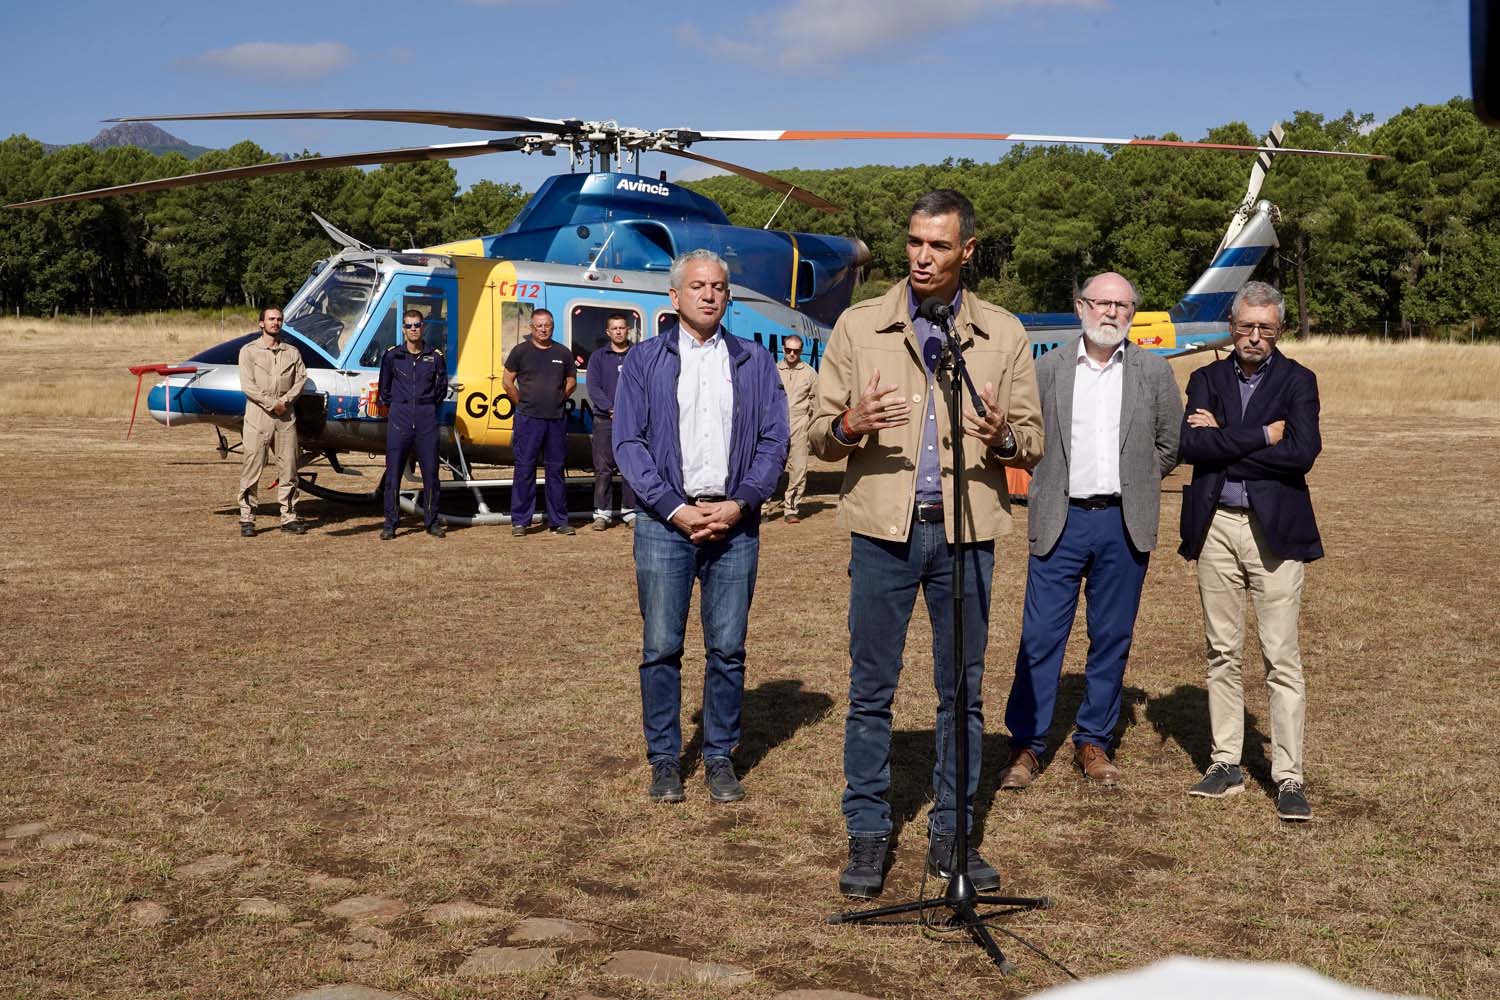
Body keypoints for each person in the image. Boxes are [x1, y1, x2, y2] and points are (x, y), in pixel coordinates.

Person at [809, 190, 1043, 899]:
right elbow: (818, 437)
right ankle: (869, 833)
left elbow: (1032, 441)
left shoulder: (1002, 335)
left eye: (938, 246)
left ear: (967, 251)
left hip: (968, 535)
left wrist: (1003, 436)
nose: (921, 256)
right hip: (884, 535)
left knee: (961, 696)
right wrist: (850, 424)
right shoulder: (857, 327)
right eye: (914, 242)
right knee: (871, 691)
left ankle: (952, 836)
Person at [613, 249, 789, 805]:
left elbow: (773, 440)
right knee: (662, 647)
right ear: (674, 296)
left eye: (718, 286)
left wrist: (740, 502)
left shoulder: (755, 362)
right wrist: (673, 507)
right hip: (666, 524)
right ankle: (665, 760)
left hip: (734, 523)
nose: (709, 294)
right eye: (697, 286)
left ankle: (718, 757)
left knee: (728, 649)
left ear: (727, 295)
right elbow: (629, 443)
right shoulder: (642, 362)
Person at [997, 273, 1182, 792]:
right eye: (1102, 303)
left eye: (1123, 306)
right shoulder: (1046, 369)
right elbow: (1027, 443)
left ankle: (1093, 738)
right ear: (1080, 306)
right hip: (1061, 520)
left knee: (1112, 638)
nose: (1112, 314)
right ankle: (1027, 744)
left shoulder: (1153, 371)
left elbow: (1169, 445)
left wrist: (1136, 484)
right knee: (1039, 638)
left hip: (1124, 523)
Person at [1178, 281, 1322, 822]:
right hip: (1215, 526)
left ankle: (1288, 776)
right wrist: (1262, 435)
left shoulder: (1298, 380)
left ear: (1278, 330)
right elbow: (1191, 447)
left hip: (1274, 533)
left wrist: (1227, 441)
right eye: (1245, 326)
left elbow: (1303, 454)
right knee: (1222, 650)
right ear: (1231, 326)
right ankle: (1225, 764)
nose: (1254, 337)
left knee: (1281, 657)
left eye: (1265, 328)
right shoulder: (1205, 378)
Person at [503, 308, 577, 537]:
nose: (543, 329)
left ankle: (559, 520)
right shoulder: (520, 351)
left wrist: (557, 399)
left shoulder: (563, 353)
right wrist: (522, 403)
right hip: (528, 419)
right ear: (531, 328)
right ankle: (520, 522)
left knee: (556, 471)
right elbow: (507, 382)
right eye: (539, 326)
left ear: (552, 327)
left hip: (555, 420)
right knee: (525, 469)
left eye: (547, 326)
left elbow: (571, 382)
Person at [378, 308, 449, 540]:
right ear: (403, 329)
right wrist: (399, 406)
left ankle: (431, 520)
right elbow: (384, 389)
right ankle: (391, 522)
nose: (413, 329)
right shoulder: (392, 356)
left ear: (423, 326)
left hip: (427, 416)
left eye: (417, 325)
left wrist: (426, 406)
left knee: (431, 472)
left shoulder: (436, 356)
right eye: (409, 325)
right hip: (400, 415)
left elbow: (441, 388)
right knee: (394, 472)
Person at [237, 306, 307, 536]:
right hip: (259, 416)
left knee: (289, 467)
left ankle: (289, 516)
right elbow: (248, 386)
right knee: (253, 465)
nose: (275, 323)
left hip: (286, 417)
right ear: (261, 323)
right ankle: (247, 518)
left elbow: (300, 380)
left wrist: (285, 401)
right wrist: (270, 403)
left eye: (278, 319)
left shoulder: (292, 352)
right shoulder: (249, 351)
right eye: (271, 319)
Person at [587, 313, 637, 531]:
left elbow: (643, 385)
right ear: (608, 333)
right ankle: (602, 514)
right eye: (614, 328)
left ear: (628, 330)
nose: (618, 331)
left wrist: (628, 410)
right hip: (604, 420)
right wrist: (611, 408)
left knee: (631, 468)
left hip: (632, 421)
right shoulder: (598, 357)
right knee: (603, 469)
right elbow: (593, 387)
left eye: (622, 328)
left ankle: (630, 512)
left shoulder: (638, 355)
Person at [772, 334, 819, 523]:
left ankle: (791, 509)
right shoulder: (772, 370)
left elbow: (818, 401)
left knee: (799, 470)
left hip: (799, 426)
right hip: (774, 428)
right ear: (783, 349)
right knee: (769, 469)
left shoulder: (810, 373)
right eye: (789, 350)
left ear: (801, 351)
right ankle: (765, 506)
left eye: (796, 351)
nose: (792, 354)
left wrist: (811, 425)